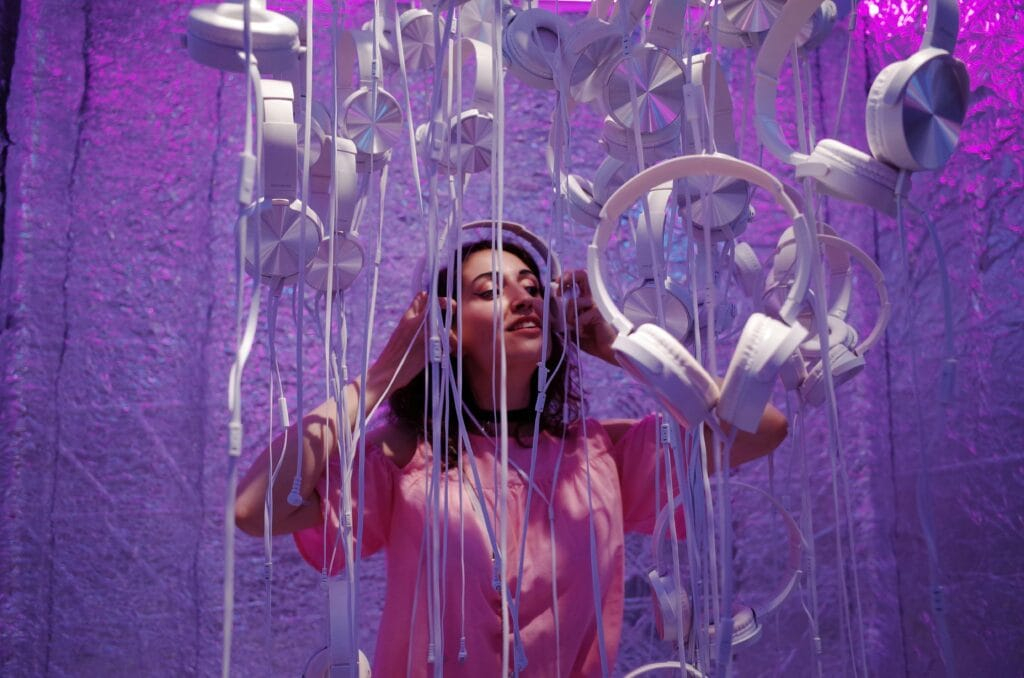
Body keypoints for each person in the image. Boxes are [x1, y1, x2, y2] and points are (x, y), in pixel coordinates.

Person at [234, 228, 788, 676]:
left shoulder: (597, 455)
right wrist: (384, 375)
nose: (524, 297)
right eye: (490, 290)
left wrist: (626, 346)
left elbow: (762, 427)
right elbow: (257, 508)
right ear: (446, 328)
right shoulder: (408, 460)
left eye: (531, 286)